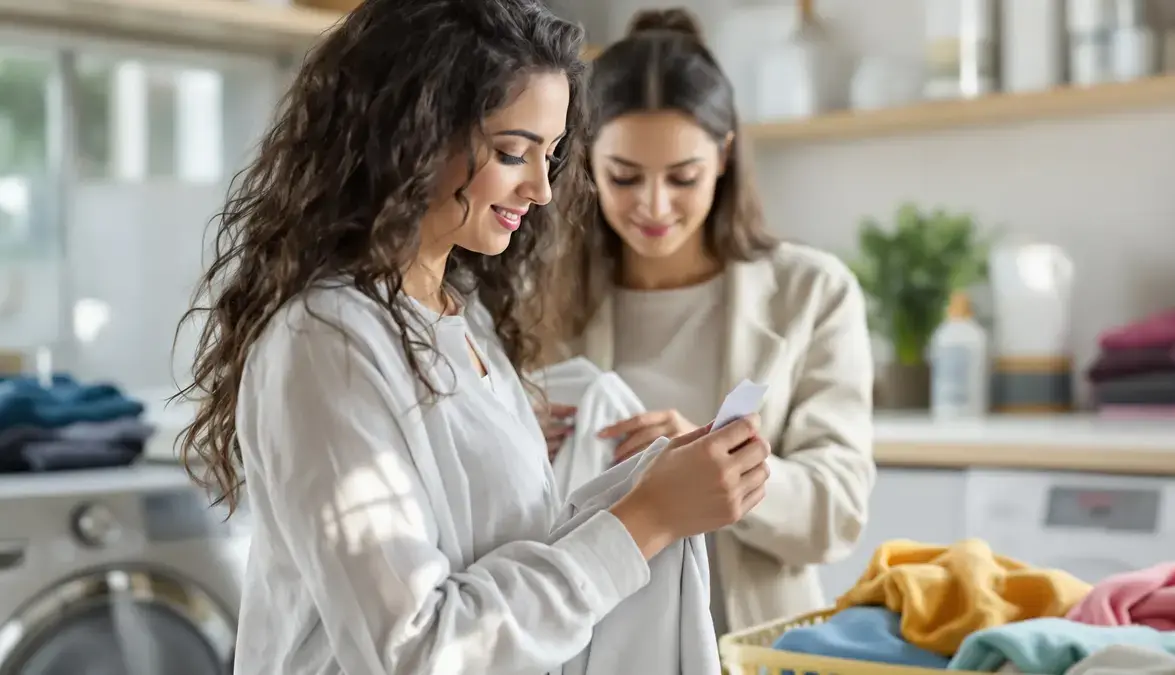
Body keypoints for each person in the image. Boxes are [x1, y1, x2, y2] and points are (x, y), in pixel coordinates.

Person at [171, 1, 771, 673]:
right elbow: (418, 649)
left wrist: (653, 486)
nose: (542, 189)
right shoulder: (325, 343)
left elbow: (497, 553)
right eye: (514, 152)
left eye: (552, 154)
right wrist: (648, 517)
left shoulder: (461, 314)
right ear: (414, 133)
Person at [543, 7, 876, 635]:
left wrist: (729, 471)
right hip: (589, 641)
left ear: (723, 157)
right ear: (585, 160)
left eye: (683, 177)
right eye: (624, 176)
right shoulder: (538, 297)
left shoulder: (811, 292)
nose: (654, 206)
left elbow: (838, 511)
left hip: (750, 641)